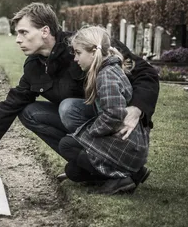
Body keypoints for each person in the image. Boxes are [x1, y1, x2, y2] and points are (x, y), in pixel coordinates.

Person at [0, 3, 159, 189]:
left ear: (44, 31)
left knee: (68, 108)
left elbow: (146, 72)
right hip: (92, 124)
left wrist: (137, 108)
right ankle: (89, 165)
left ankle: (114, 167)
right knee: (29, 113)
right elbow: (8, 107)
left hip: (115, 125)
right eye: (17, 33)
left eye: (23, 32)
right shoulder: (34, 66)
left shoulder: (86, 43)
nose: (17, 39)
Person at [58, 26, 150, 194]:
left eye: (78, 53)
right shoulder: (108, 69)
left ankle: (123, 178)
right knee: (73, 171)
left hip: (127, 144)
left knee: (67, 145)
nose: (75, 59)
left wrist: (90, 133)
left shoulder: (106, 75)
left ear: (94, 51)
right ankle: (133, 173)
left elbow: (114, 115)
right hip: (128, 143)